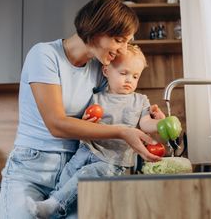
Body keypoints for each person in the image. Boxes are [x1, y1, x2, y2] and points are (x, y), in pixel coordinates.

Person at [0, 0, 163, 219]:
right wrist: (122, 132)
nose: (124, 49)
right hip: (32, 168)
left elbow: (124, 105)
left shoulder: (101, 67)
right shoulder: (45, 55)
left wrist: (152, 121)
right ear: (98, 28)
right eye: (119, 40)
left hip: (79, 168)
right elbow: (56, 124)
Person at [26, 44, 166, 218]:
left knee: (85, 177)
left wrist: (160, 123)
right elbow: (85, 124)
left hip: (112, 161)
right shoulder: (95, 96)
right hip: (86, 150)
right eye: (123, 73)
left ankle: (53, 206)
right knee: (68, 175)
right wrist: (85, 121)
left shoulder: (140, 101)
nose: (129, 80)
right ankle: (53, 208)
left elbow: (145, 124)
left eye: (135, 76)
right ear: (106, 71)